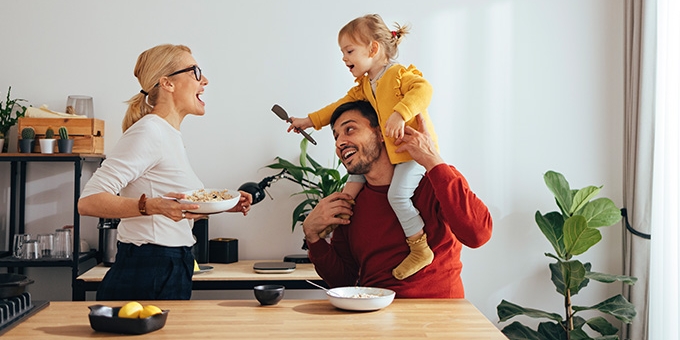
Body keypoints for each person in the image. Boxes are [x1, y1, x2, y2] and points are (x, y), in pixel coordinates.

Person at [78, 44, 252, 301]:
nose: (204, 80)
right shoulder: (150, 132)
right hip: (148, 267)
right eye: (195, 71)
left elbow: (173, 206)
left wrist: (221, 205)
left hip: (171, 264)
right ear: (167, 83)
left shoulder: (168, 135)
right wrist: (153, 206)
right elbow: (88, 201)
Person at [288, 14, 440, 280]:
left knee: (398, 197)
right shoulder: (366, 86)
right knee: (349, 193)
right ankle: (332, 231)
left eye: (349, 51)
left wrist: (400, 113)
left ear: (373, 48)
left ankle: (419, 247)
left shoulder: (398, 75)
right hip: (390, 155)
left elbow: (424, 90)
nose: (344, 59)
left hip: (409, 156)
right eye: (342, 53)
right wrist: (309, 121)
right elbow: (338, 107)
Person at [302, 101, 492, 298]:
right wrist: (313, 237)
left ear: (381, 133)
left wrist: (432, 159)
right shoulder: (350, 201)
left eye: (349, 129)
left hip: (440, 319)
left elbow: (478, 235)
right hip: (376, 315)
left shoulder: (436, 179)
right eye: (336, 136)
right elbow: (344, 281)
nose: (339, 143)